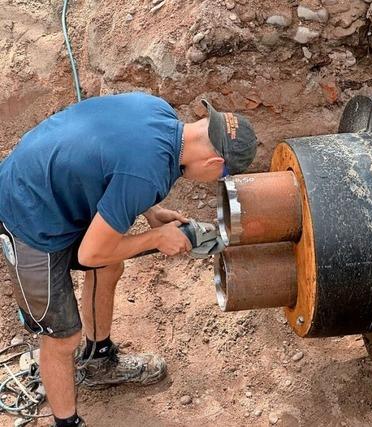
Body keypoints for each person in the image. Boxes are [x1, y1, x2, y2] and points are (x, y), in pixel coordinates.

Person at [0, 92, 257, 426]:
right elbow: (89, 252)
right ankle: (66, 423)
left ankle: (98, 361)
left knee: (110, 264)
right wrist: (156, 239)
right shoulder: (145, 173)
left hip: (55, 190)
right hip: (27, 215)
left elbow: (111, 160)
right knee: (61, 337)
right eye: (220, 176)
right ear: (214, 165)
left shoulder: (158, 112)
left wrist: (151, 212)